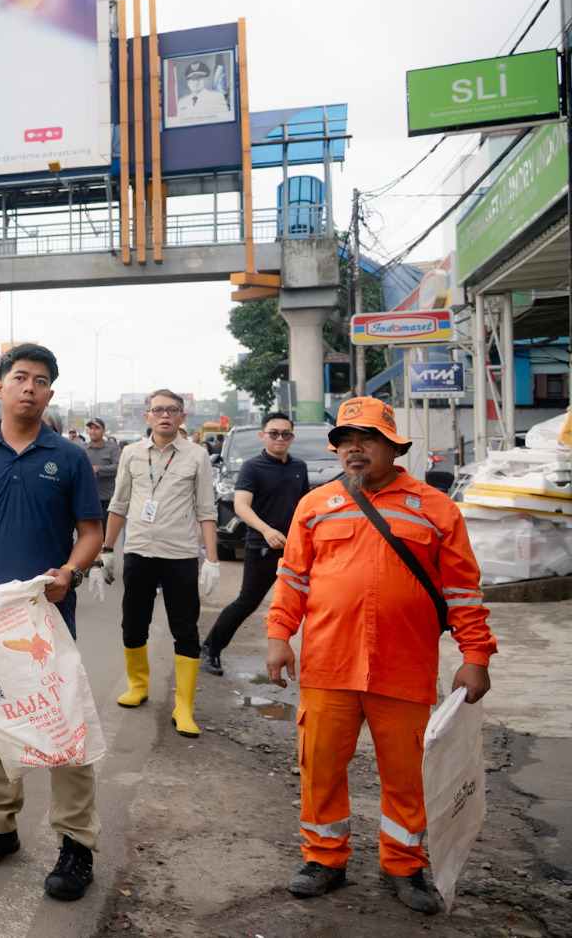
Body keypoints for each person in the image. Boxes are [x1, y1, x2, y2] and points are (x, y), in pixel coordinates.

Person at [266, 397, 495, 915]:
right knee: (320, 767)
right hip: (328, 663)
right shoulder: (316, 504)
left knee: (407, 772)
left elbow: (463, 590)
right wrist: (280, 634)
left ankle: (405, 864)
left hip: (404, 665)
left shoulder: (436, 508)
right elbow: (293, 579)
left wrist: (475, 653)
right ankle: (324, 858)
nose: (354, 449)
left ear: (394, 447)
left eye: (366, 439)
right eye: (345, 441)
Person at [0, 343, 104, 899]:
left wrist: (71, 575)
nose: (30, 387)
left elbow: (91, 533)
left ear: (51, 393)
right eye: (20, 377)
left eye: (41, 380)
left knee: (63, 723)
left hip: (45, 615)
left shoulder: (69, 456)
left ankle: (76, 844)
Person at [101, 390, 219, 738]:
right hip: (138, 551)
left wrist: (211, 559)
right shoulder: (132, 454)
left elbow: (206, 510)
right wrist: (107, 550)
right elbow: (119, 504)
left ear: (183, 417)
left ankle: (183, 705)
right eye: (158, 410)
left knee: (185, 628)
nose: (164, 415)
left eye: (172, 410)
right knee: (133, 623)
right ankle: (138, 686)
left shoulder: (198, 456)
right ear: (147, 417)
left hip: (180, 554)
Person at [199, 412, 308, 677]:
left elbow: (305, 506)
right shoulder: (252, 467)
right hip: (262, 546)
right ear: (263, 436)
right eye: (274, 433)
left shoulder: (299, 468)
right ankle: (210, 649)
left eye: (285, 434)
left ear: (292, 438)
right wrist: (266, 530)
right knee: (247, 602)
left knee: (311, 603)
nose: (280, 438)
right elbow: (241, 506)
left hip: (295, 549)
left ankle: (317, 662)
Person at [81, 418, 121, 519]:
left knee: (105, 533)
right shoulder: (82, 449)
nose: (93, 431)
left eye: (97, 428)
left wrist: (97, 469)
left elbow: (118, 467)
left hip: (106, 499)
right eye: (91, 428)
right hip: (87, 499)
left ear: (104, 430)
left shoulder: (113, 448)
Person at [174, 59, 229, 124]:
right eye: (192, 79)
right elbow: (179, 124)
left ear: (205, 80)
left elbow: (225, 121)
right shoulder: (182, 102)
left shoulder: (216, 97)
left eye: (199, 78)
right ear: (187, 82)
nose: (196, 82)